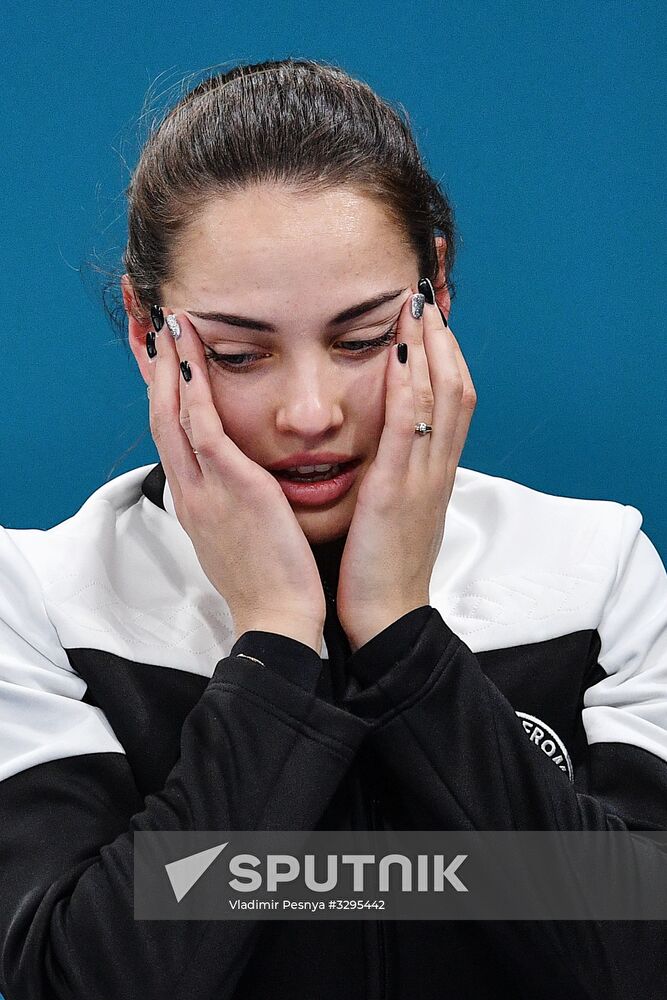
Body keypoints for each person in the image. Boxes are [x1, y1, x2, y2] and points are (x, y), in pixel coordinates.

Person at [0, 57, 665, 1000]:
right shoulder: (38, 600)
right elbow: (81, 978)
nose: (309, 413)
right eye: (239, 352)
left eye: (358, 340)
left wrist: (400, 632)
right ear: (148, 328)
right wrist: (274, 641)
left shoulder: (595, 570)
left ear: (435, 286)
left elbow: (639, 961)